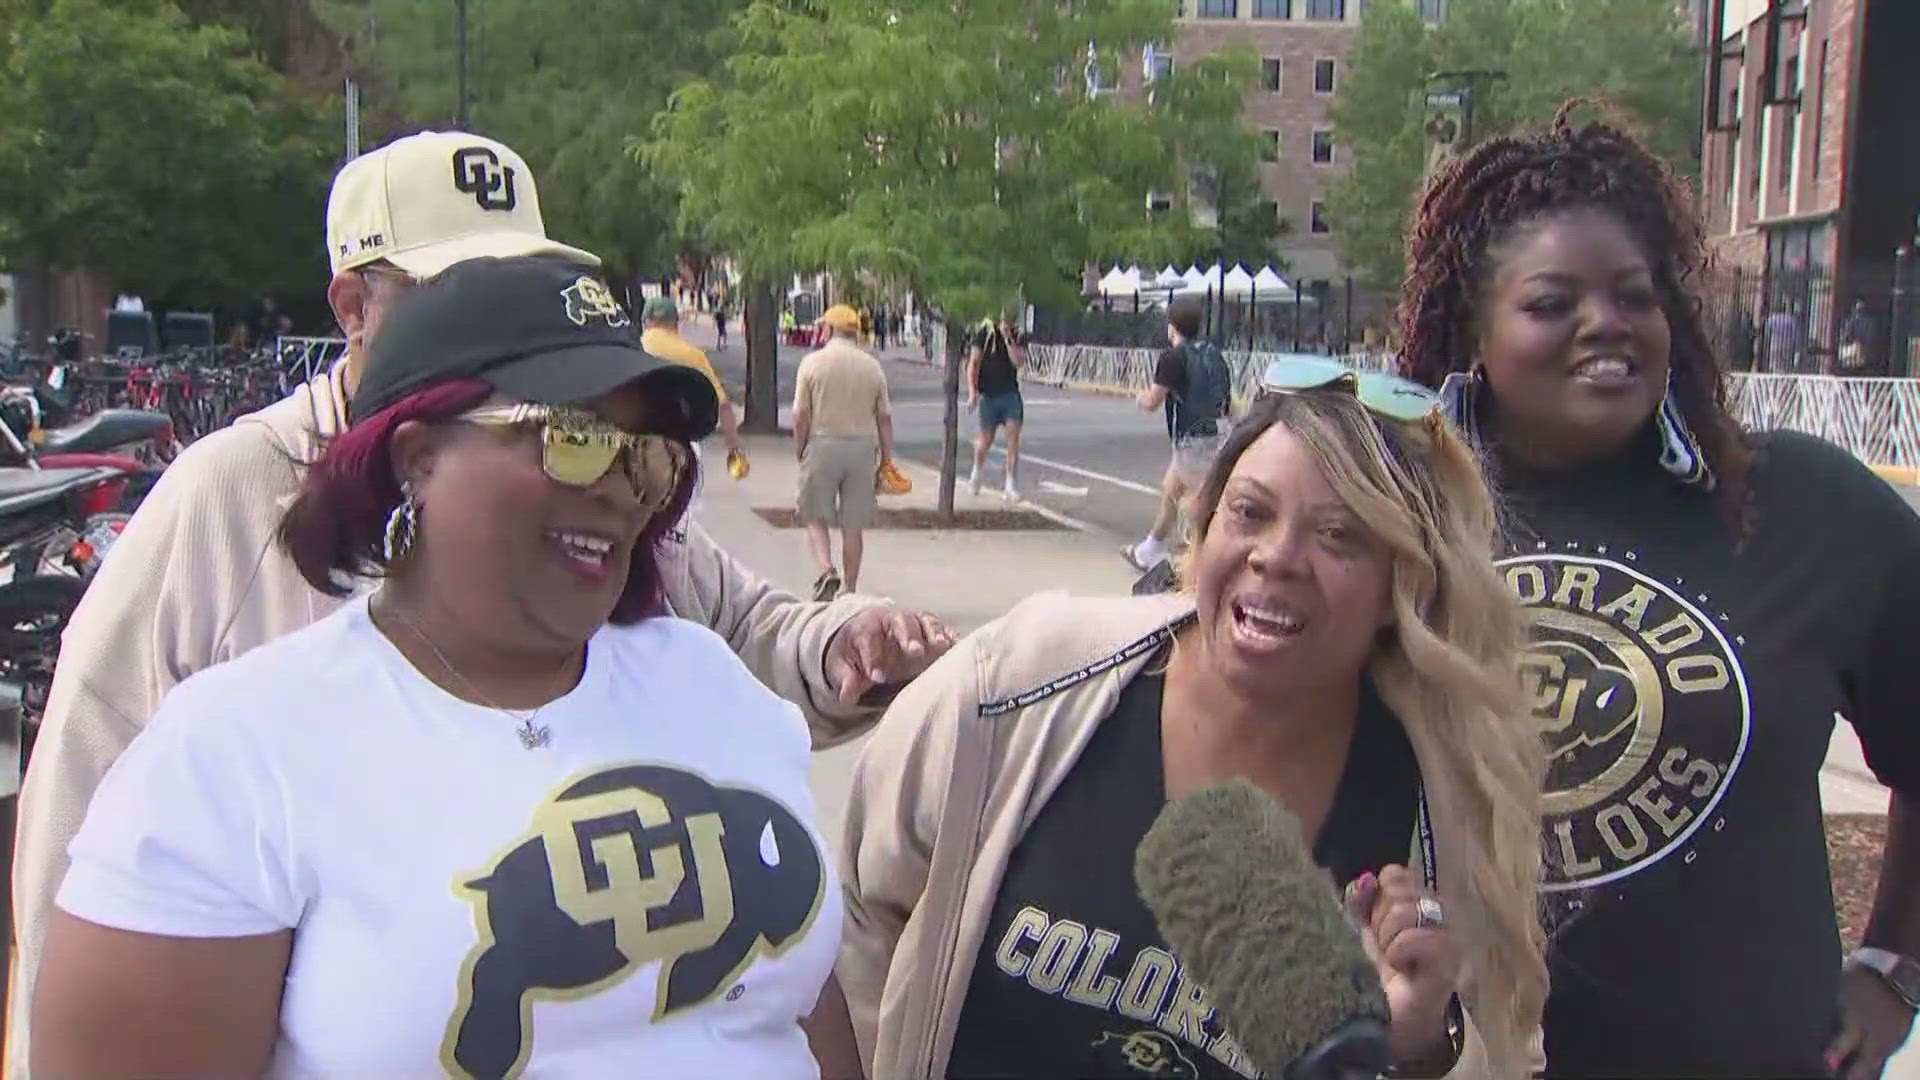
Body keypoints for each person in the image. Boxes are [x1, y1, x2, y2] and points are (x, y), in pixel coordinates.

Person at [10, 130, 950, 1074]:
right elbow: (91, 790)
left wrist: (847, 646)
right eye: (569, 434)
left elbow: (751, 633)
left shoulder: (693, 661)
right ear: (357, 313)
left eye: (653, 456)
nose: (625, 486)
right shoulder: (231, 706)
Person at [1398, 107, 1920, 1078]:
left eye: (1635, 296)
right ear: (1473, 329)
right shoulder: (1397, 521)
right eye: (1553, 302)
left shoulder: (1801, 508)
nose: (1606, 322)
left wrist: (1895, 968)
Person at [838, 379, 1548, 1080]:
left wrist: (1422, 1047)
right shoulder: (1021, 680)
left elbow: (1504, 1048)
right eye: (1251, 512)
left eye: (1339, 535)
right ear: (1205, 527)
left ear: (1403, 587)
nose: (1276, 556)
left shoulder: (1443, 812)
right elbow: (858, 916)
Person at [1124, 297, 1234, 573]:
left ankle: (1203, 567)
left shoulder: (1172, 358)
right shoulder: (1213, 354)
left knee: (1201, 509)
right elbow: (1228, 400)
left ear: (1171, 327)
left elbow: (1152, 401)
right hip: (1217, 433)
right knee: (1170, 490)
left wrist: (1138, 398)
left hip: (1192, 441)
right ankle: (1147, 550)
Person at [793, 304, 894, 601]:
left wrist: (800, 448)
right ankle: (850, 589)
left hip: (822, 444)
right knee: (853, 524)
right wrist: (886, 461)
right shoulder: (872, 367)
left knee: (813, 513)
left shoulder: (812, 364)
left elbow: (800, 414)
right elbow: (884, 418)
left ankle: (826, 570)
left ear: (829, 329)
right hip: (863, 449)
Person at [640, 295, 747, 477]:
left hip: (637, 448)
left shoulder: (635, 349)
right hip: (682, 447)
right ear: (676, 322)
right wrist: (733, 450)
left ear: (646, 321)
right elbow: (724, 405)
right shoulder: (694, 356)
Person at [967, 313, 1027, 500]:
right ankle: (976, 472)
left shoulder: (1015, 334)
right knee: (985, 440)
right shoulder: (984, 333)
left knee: (1013, 439)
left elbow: (1018, 361)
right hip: (989, 395)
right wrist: (972, 391)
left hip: (1010, 393)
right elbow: (973, 363)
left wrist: (1008, 337)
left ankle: (1010, 484)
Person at [1838, 299, 1879, 375]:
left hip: (1862, 351)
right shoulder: (1850, 320)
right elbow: (1845, 335)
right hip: (1853, 352)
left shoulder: (1867, 321)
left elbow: (1870, 336)